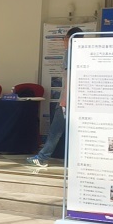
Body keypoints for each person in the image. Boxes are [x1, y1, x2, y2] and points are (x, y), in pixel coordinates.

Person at [28, 27, 82, 168]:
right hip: (79, 99)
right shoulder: (82, 53)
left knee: (55, 130)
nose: (63, 41)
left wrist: (64, 100)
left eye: (64, 38)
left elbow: (70, 78)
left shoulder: (70, 52)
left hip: (68, 99)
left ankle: (42, 158)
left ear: (69, 39)